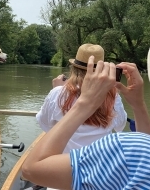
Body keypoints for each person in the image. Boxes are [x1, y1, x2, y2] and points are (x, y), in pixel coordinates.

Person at [22, 54, 150, 189]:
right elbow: (124, 129)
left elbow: (45, 127)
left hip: (58, 172)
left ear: (74, 69)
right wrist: (138, 105)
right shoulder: (114, 98)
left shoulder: (122, 148)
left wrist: (82, 101)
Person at [36, 43, 127, 153]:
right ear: (102, 69)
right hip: (98, 163)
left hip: (64, 164)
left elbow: (44, 124)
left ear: (73, 68)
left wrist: (58, 89)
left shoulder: (58, 93)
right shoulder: (113, 96)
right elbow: (120, 127)